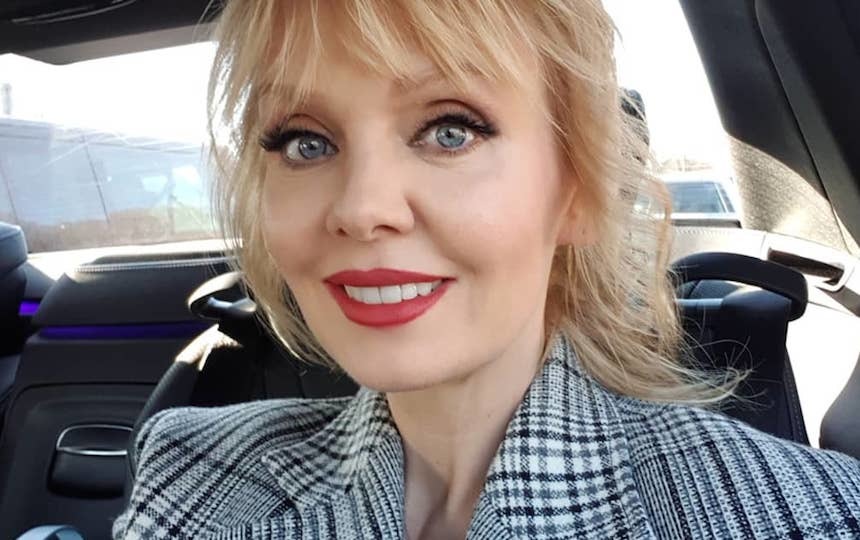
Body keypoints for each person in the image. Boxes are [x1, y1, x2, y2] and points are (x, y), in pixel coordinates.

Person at [113, 1, 860, 538]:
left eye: (449, 130)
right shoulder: (193, 469)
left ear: (576, 193)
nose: (362, 209)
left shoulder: (812, 515)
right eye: (305, 142)